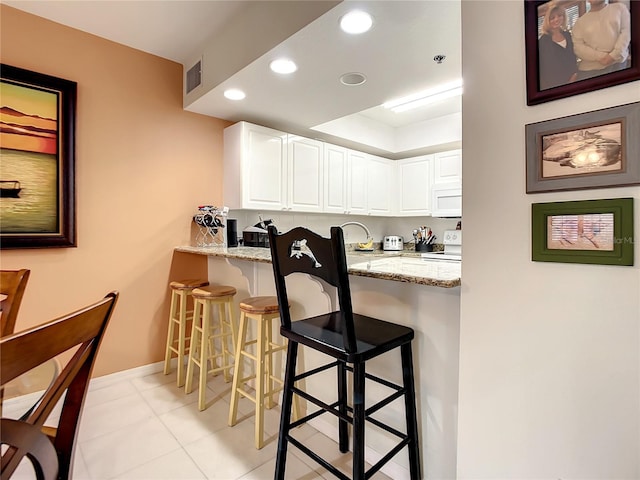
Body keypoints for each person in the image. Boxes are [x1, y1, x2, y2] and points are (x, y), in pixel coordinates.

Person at [571, 0, 631, 81]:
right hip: (589, 71)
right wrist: (601, 56)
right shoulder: (579, 22)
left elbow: (626, 33)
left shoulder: (620, 8)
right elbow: (578, 48)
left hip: (617, 65)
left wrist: (613, 55)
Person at [538, 2, 578, 90]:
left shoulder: (568, 35)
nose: (556, 19)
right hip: (553, 86)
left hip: (573, 80)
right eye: (552, 18)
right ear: (547, 20)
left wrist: (574, 75)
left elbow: (573, 56)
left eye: (559, 15)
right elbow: (541, 68)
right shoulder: (542, 41)